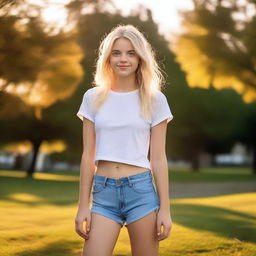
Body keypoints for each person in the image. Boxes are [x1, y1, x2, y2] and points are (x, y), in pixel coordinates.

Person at [75, 24, 174, 256]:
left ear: (140, 59)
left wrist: (165, 209)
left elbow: (158, 159)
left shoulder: (155, 100)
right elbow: (88, 155)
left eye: (131, 53)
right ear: (107, 57)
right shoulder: (92, 98)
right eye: (117, 53)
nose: (123, 59)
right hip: (103, 195)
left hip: (140, 193)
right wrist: (82, 206)